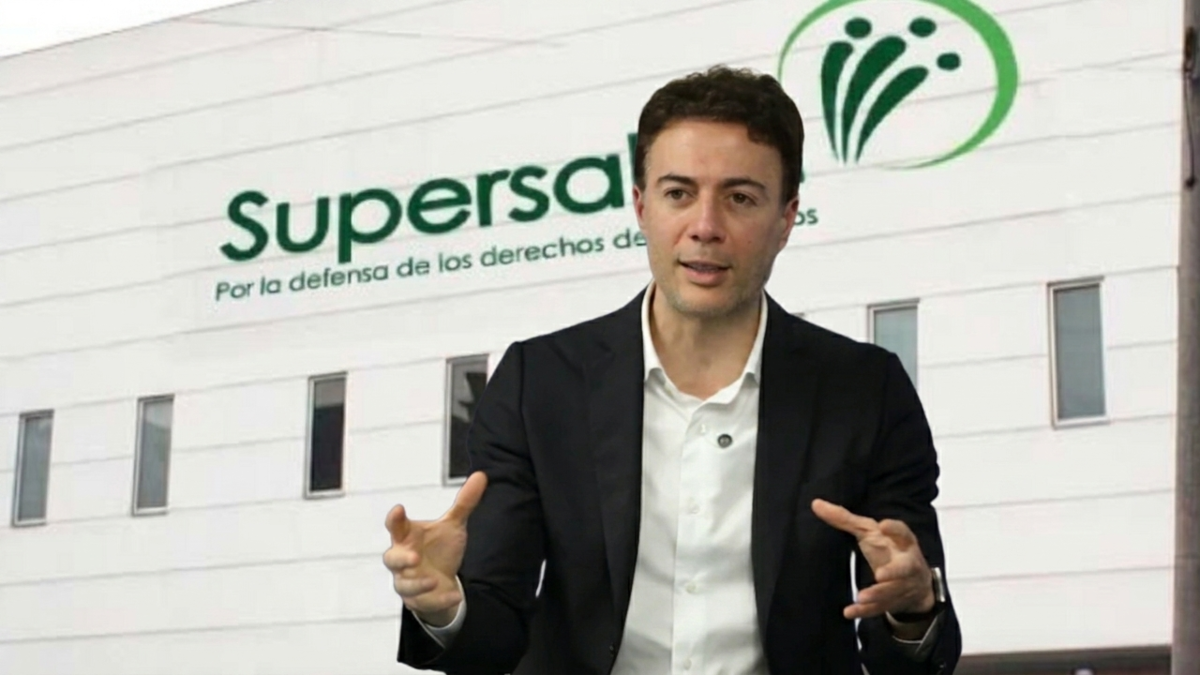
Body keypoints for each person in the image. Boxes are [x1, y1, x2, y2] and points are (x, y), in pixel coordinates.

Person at [382, 65, 961, 675]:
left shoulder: (865, 391)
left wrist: (914, 608)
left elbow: (913, 653)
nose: (705, 227)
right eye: (679, 193)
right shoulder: (540, 383)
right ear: (641, 205)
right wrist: (445, 607)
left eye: (740, 198)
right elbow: (494, 635)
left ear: (786, 218)